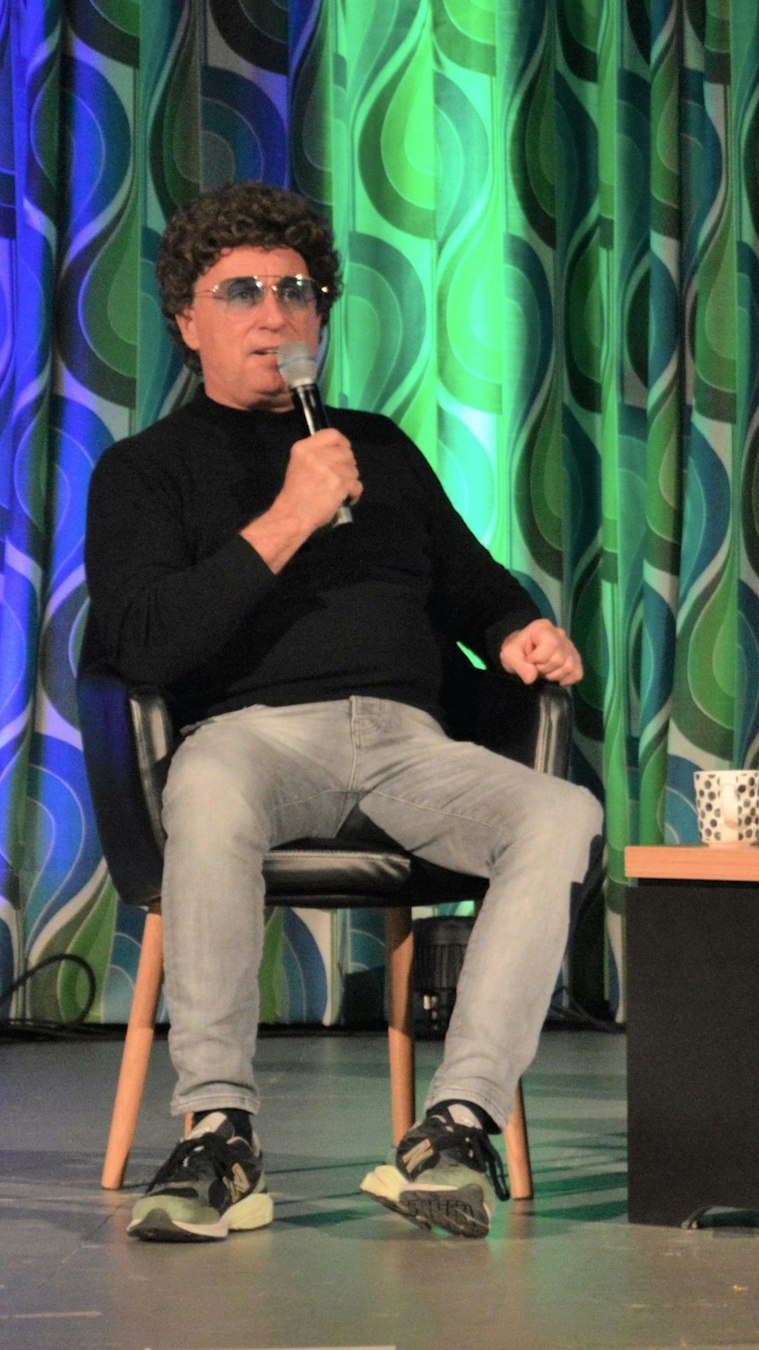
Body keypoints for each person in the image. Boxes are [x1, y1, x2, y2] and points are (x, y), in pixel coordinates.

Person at [84, 181, 604, 1241]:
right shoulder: (145, 470)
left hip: (413, 744)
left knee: (562, 816)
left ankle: (454, 1130)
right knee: (215, 786)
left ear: (321, 317)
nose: (273, 314)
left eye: (295, 291)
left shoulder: (380, 446)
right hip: (255, 737)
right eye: (241, 293)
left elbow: (472, 582)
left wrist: (517, 629)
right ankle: (218, 1132)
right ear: (188, 321)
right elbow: (141, 642)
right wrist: (288, 514)